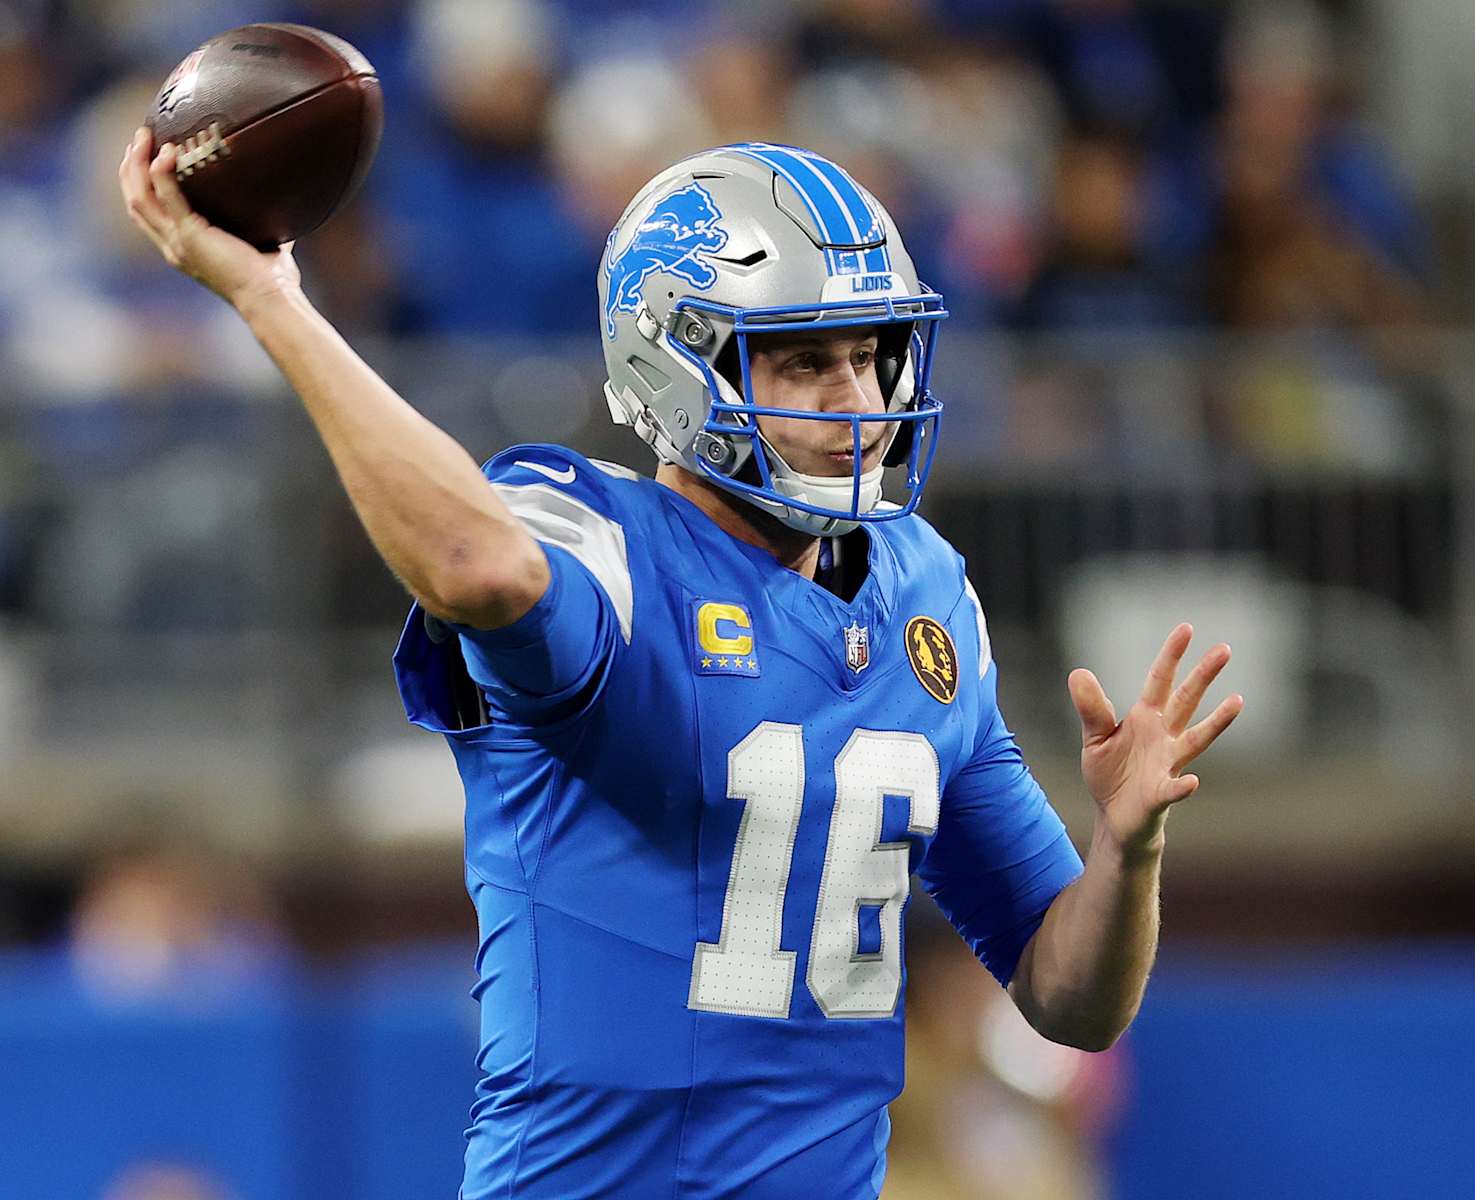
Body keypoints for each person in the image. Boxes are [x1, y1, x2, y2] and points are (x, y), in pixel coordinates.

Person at [118, 129, 1243, 1199]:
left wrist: (1126, 849)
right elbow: (473, 566)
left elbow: (1069, 997)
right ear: (676, 368)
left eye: (871, 353)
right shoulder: (599, 542)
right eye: (804, 361)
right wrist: (273, 299)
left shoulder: (925, 591)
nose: (857, 399)